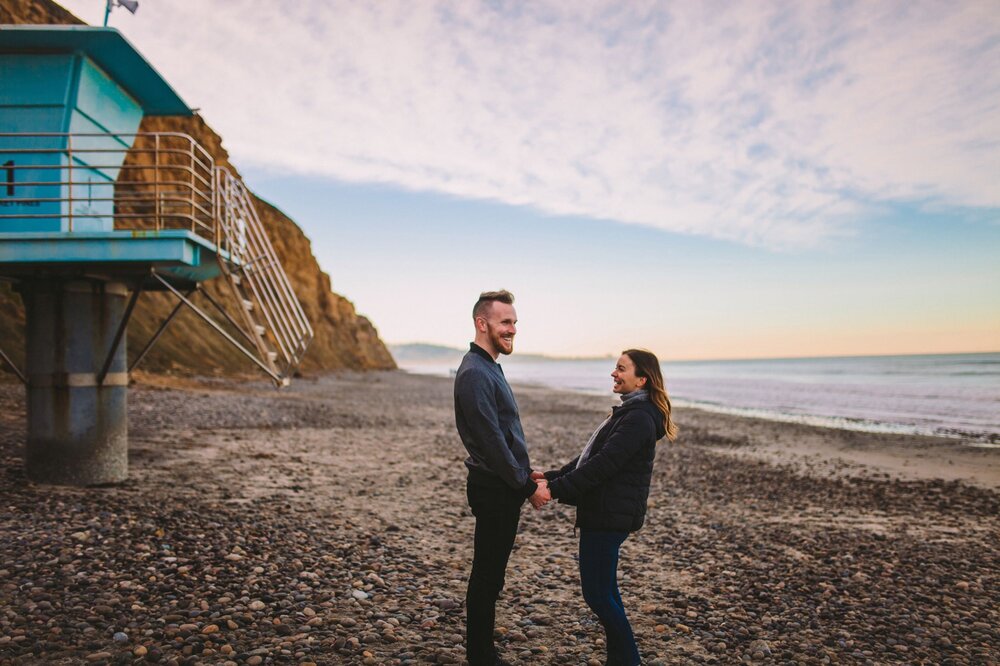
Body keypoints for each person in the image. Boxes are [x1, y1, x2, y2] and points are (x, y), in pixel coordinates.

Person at [535, 349, 678, 666]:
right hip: (606, 512)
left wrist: (553, 490)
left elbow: (602, 466)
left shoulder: (639, 418)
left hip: (608, 516)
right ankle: (620, 660)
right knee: (607, 592)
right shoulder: (630, 413)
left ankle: (630, 661)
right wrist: (549, 476)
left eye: (621, 368)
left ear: (642, 379)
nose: (614, 373)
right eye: (615, 367)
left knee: (597, 595)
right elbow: (588, 459)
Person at [454, 289, 551, 666]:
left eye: (514, 322)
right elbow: (491, 441)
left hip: (502, 484)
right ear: (483, 324)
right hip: (494, 489)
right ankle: (481, 657)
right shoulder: (475, 372)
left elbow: (503, 434)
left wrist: (526, 471)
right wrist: (527, 486)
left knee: (492, 574)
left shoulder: (489, 366)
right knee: (487, 577)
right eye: (505, 322)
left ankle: (483, 651)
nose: (513, 329)